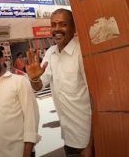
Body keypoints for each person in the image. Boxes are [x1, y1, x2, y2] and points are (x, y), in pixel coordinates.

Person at [26, 8, 93, 157]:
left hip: (87, 139)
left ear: (73, 27)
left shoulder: (81, 53)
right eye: (53, 24)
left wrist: (90, 143)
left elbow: (95, 99)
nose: (57, 29)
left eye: (63, 24)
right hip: (68, 136)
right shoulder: (50, 53)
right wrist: (35, 78)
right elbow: (38, 87)